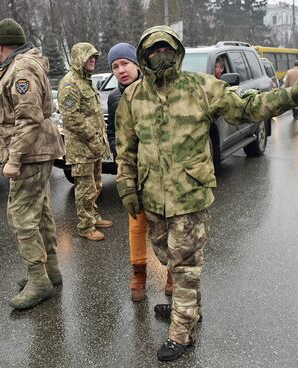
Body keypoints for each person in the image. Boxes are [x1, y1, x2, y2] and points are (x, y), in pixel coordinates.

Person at [115, 25, 298, 361]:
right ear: (143, 56)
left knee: (185, 267)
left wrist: (289, 97)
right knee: (166, 256)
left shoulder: (202, 87)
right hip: (153, 198)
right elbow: (125, 147)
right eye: (152, 51)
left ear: (176, 52)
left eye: (165, 49)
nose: (160, 56)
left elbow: (245, 108)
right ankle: (190, 310)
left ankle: (182, 332)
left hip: (190, 195)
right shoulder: (132, 97)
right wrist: (127, 186)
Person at [0, 18, 65, 310]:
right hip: (37, 151)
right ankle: (51, 271)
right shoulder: (24, 65)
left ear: (0, 46)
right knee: (41, 212)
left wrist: (14, 158)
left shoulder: (21, 69)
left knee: (21, 217)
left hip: (30, 155)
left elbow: (29, 115)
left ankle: (39, 281)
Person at [106, 42, 173, 302]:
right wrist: (121, 156)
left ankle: (171, 274)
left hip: (159, 171)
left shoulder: (154, 89)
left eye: (125, 63)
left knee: (166, 223)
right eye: (115, 66)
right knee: (137, 223)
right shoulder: (114, 98)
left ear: (136, 64)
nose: (121, 70)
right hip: (132, 169)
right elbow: (114, 133)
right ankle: (138, 275)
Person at [58, 43, 112, 241]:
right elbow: (71, 118)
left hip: (94, 146)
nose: (93, 60)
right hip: (81, 148)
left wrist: (100, 140)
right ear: (78, 57)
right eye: (89, 56)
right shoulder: (70, 83)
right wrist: (92, 137)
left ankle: (94, 216)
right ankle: (85, 226)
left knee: (96, 184)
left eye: (95, 57)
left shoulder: (86, 81)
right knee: (85, 189)